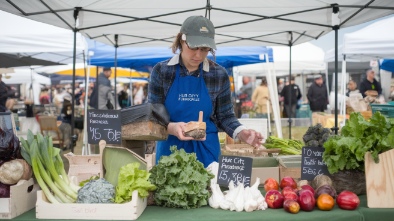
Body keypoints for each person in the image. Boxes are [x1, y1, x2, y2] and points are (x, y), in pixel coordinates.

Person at [148, 15, 263, 167]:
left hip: (206, 153)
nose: (198, 55)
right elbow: (153, 115)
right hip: (170, 151)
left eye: (204, 49)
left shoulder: (218, 74)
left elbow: (225, 116)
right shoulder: (162, 71)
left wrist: (242, 133)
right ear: (182, 40)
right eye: (194, 47)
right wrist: (173, 128)